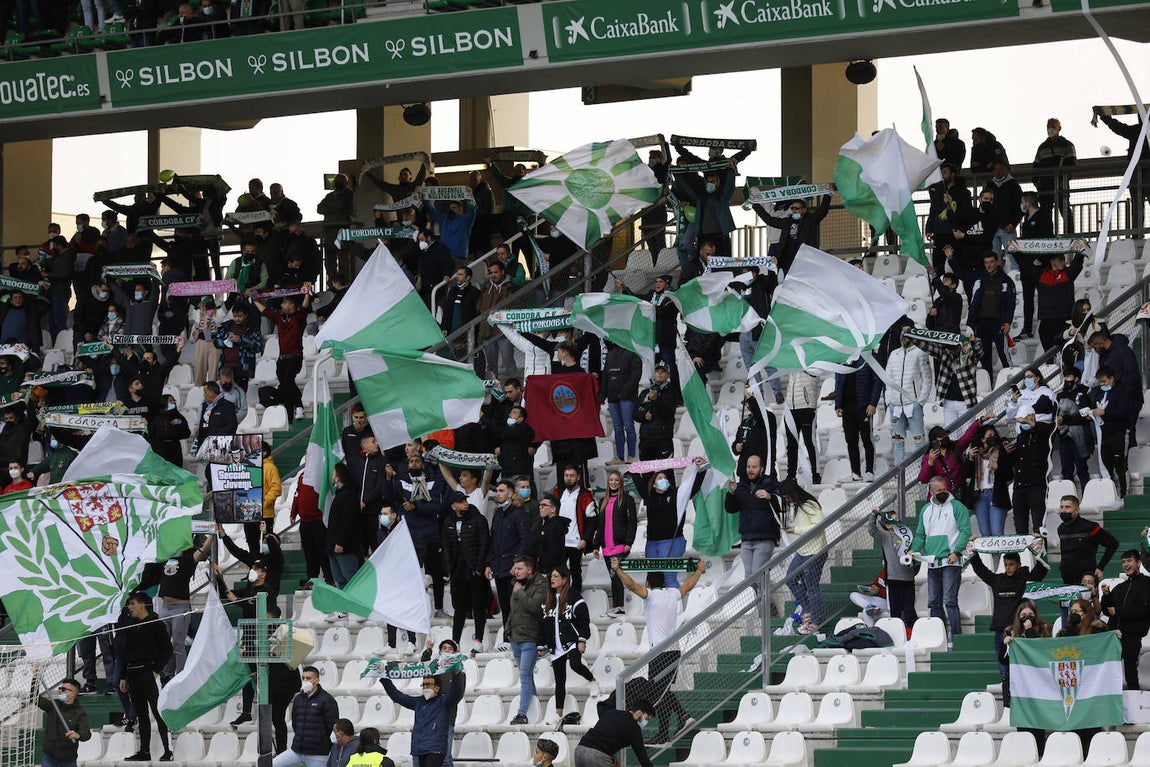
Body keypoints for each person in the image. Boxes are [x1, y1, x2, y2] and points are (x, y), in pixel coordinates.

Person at [611, 557, 705, 742]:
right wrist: (700, 571)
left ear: (648, 583)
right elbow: (688, 585)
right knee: (660, 693)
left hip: (660, 653)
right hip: (673, 651)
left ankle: (683, 716)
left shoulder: (651, 595)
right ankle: (665, 732)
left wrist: (618, 570)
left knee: (657, 692)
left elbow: (631, 586)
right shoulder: (672, 594)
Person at [971, 551, 1048, 683]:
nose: (1007, 567)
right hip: (1001, 633)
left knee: (1024, 670)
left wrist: (1041, 543)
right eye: (1005, 564)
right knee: (1004, 672)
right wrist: (973, 552)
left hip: (1019, 632)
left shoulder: (1026, 580)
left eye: (1011, 564)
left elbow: (1042, 567)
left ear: (1019, 564)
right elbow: (981, 570)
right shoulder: (998, 580)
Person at [910, 476, 972, 643]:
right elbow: (920, 535)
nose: (943, 493)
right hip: (932, 562)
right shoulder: (925, 510)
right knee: (933, 603)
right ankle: (940, 639)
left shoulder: (957, 507)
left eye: (945, 490)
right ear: (931, 491)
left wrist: (957, 552)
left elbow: (966, 531)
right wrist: (913, 551)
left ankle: (957, 639)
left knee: (950, 601)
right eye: (939, 491)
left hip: (951, 561)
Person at [539, 565, 599, 724]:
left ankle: (592, 680)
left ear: (564, 579)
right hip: (555, 645)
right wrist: (541, 644)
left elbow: (584, 621)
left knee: (575, 664)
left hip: (572, 640)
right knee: (560, 680)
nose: (552, 579)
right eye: (551, 576)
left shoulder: (575, 598)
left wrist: (582, 639)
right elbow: (543, 624)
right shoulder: (548, 600)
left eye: (556, 576)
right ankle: (558, 714)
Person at [117, 593, 173, 762]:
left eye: (132, 603)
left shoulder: (157, 624)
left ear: (142, 605)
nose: (130, 607)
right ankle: (144, 751)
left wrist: (156, 670)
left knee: (159, 712)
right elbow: (125, 654)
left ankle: (168, 750)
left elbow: (167, 650)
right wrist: (123, 676)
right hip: (133, 674)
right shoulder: (130, 625)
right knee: (141, 715)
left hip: (148, 672)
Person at [379, 670, 464, 767]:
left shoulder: (444, 702)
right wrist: (385, 679)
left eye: (428, 685)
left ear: (437, 688)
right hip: (419, 750)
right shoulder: (419, 702)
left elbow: (456, 693)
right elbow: (398, 696)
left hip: (435, 749)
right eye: (423, 685)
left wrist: (456, 675)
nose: (425, 687)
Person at [442, 491, 491, 653]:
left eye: (465, 500)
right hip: (458, 570)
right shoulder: (448, 521)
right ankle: (455, 641)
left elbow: (484, 544)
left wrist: (479, 568)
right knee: (459, 608)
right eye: (461, 501)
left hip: (473, 570)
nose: (465, 503)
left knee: (478, 605)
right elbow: (447, 547)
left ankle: (479, 640)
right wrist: (449, 568)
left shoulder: (478, 519)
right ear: (453, 505)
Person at [908, 331, 984, 428]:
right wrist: (911, 335)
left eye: (954, 348)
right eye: (949, 348)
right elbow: (927, 346)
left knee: (968, 435)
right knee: (951, 435)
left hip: (966, 403)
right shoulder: (945, 353)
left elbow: (979, 352)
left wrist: (975, 341)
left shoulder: (969, 355)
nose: (951, 351)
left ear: (960, 346)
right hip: (948, 403)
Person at [779, 479, 827, 631]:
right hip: (803, 551)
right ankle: (808, 610)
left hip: (815, 551)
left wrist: (796, 530)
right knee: (790, 578)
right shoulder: (798, 507)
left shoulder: (809, 505)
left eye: (787, 497)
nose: (788, 500)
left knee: (812, 586)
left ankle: (815, 620)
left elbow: (819, 526)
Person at [724, 455, 781, 581]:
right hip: (746, 538)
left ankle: (764, 600)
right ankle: (767, 600)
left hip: (764, 538)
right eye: (748, 467)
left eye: (754, 467)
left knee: (756, 576)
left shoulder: (770, 483)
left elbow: (782, 505)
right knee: (749, 577)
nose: (750, 470)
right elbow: (730, 509)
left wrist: (770, 497)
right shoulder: (741, 486)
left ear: (761, 469)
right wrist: (731, 494)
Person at [590, 470, 638, 617]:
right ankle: (617, 606)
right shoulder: (602, 501)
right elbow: (600, 525)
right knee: (612, 576)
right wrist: (596, 545)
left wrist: (629, 542)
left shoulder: (627, 499)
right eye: (611, 480)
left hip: (619, 545)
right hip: (606, 547)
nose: (613, 482)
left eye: (616, 480)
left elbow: (632, 522)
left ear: (621, 482)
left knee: (617, 574)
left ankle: (620, 607)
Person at [507, 556, 548, 725]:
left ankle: (522, 713)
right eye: (515, 568)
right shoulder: (518, 585)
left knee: (524, 676)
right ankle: (535, 707)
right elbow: (514, 609)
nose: (516, 571)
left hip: (530, 637)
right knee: (527, 676)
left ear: (529, 570)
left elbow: (534, 606)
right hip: (515, 636)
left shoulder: (540, 584)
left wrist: (519, 591)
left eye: (519, 568)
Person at [1101, 550, 1150, 689]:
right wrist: (1106, 596)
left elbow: (1143, 609)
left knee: (1130, 672)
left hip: (1132, 636)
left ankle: (1135, 702)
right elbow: (1108, 611)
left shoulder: (1147, 583)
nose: (1126, 564)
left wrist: (1119, 611)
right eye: (1123, 561)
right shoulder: (1120, 586)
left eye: (1129, 561)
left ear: (1138, 562)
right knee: (1109, 671)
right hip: (1113, 635)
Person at [273, 666, 340, 767]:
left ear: (317, 680)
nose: (305, 681)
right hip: (297, 751)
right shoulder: (298, 699)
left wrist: (324, 746)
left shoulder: (327, 700)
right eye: (303, 678)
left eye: (308, 678)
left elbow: (333, 726)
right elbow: (295, 723)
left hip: (318, 754)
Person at [884, 328, 934, 463]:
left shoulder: (920, 353)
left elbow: (927, 378)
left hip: (913, 404)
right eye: (902, 334)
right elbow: (887, 379)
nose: (903, 337)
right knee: (898, 441)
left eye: (906, 335)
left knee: (919, 440)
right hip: (896, 405)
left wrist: (920, 402)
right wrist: (889, 400)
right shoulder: (894, 354)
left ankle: (921, 472)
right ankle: (898, 473)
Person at [751, 193, 832, 274]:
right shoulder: (787, 222)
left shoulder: (810, 220)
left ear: (804, 209)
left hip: (804, 258)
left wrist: (828, 194)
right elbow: (769, 220)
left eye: (797, 208)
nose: (794, 211)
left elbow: (823, 210)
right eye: (792, 208)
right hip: (787, 260)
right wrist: (755, 205)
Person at [1088, 329, 1143, 446]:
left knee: (1127, 431)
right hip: (1114, 399)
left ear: (1101, 343)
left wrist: (1124, 397)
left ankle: (1128, 460)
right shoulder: (1105, 356)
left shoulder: (1124, 352)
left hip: (1129, 399)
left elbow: (1132, 376)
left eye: (1095, 348)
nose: (1095, 351)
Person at [1026, 250, 1084, 351]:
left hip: (1065, 321)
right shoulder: (1041, 274)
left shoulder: (1068, 273)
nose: (1064, 262)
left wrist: (1081, 248)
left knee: (1066, 354)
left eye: (1064, 259)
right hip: (1046, 323)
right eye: (1060, 260)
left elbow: (1078, 262)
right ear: (1052, 261)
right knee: (1049, 357)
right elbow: (1025, 264)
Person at [551, 466, 597, 592]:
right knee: (557, 572)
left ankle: (575, 598)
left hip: (576, 542)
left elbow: (593, 520)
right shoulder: (559, 493)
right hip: (560, 541)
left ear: (578, 477)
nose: (569, 478)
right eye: (566, 475)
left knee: (575, 571)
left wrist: (586, 539)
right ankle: (559, 598)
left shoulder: (585, 496)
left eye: (572, 476)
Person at [835, 358, 882, 482]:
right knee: (851, 441)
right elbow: (838, 381)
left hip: (864, 406)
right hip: (847, 407)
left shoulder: (868, 358)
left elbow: (877, 381)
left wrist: (873, 403)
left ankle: (869, 471)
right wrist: (838, 404)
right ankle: (855, 472)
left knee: (867, 439)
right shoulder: (842, 360)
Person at [1091, 364, 1135, 497]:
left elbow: (1123, 413)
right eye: (1100, 382)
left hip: (1118, 433)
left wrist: (1105, 412)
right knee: (1106, 465)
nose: (1102, 384)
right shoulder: (1099, 393)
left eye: (1104, 381)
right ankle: (1110, 494)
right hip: (1104, 434)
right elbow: (1094, 407)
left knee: (1120, 466)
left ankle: (1123, 494)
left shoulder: (1121, 393)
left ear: (1112, 379)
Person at [1056, 495, 1119, 587]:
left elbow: (1113, 544)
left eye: (1067, 507)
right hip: (1067, 579)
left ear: (1077, 510)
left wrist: (1100, 567)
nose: (1064, 510)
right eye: (1062, 507)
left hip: (1086, 579)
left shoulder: (1089, 527)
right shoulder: (1061, 529)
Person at [573, 699, 656, 767]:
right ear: (639, 713)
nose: (645, 722)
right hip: (598, 757)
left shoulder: (611, 712)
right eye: (646, 719)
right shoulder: (633, 727)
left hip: (580, 751)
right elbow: (642, 755)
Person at [870, 513, 918, 628]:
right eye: (894, 519)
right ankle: (897, 636)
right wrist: (873, 516)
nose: (898, 521)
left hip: (908, 580)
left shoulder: (907, 536)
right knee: (895, 613)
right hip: (893, 581)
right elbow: (872, 530)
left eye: (898, 518)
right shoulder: (885, 536)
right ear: (887, 525)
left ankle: (913, 635)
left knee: (910, 612)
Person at [963, 424, 1012, 537]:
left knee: (997, 532)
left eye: (994, 435)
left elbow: (1009, 475)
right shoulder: (975, 453)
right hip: (979, 496)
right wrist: (970, 458)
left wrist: (998, 468)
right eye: (989, 435)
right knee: (985, 533)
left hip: (996, 494)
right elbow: (966, 474)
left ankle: (1001, 555)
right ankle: (991, 555)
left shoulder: (1001, 452)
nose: (992, 437)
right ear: (982, 438)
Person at [642, 471, 687, 588]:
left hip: (672, 540)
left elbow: (693, 486)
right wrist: (633, 470)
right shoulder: (649, 497)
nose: (664, 480)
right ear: (653, 484)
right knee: (652, 578)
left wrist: (701, 470)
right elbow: (638, 482)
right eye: (660, 478)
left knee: (668, 577)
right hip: (652, 543)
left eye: (665, 478)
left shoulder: (676, 495)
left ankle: (674, 605)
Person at [1033, 117, 1077, 229]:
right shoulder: (1042, 147)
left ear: (1059, 128)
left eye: (1052, 126)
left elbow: (1072, 166)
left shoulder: (1067, 145)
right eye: (1048, 126)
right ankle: (1048, 235)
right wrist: (1036, 181)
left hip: (1061, 184)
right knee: (1045, 212)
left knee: (1065, 209)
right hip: (1045, 185)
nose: (1050, 129)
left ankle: (1070, 235)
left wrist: (1064, 180)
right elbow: (1036, 166)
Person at [38, 677, 91, 767]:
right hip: (49, 756)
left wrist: (77, 735)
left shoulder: (79, 712)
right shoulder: (53, 705)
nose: (60, 691)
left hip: (68, 758)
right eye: (60, 689)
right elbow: (34, 698)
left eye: (63, 689)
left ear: (73, 693)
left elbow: (86, 734)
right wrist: (35, 678)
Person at [602, 342, 641, 464]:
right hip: (613, 396)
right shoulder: (610, 355)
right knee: (617, 427)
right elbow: (605, 376)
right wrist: (602, 395)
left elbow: (636, 376)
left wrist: (624, 393)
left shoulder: (633, 353)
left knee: (628, 425)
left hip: (627, 396)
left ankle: (631, 455)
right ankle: (619, 456)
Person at [1057, 367, 1094, 490]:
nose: (1066, 379)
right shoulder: (1060, 395)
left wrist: (1065, 420)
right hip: (1064, 437)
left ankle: (1087, 497)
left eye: (1068, 376)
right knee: (1066, 471)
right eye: (1065, 376)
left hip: (1080, 436)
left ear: (1076, 378)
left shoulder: (1083, 393)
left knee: (1082, 468)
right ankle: (1069, 499)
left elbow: (1085, 415)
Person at [327, 462, 363, 589]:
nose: (331, 476)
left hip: (345, 548)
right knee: (339, 581)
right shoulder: (340, 495)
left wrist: (341, 542)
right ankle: (344, 608)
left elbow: (349, 521)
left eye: (333, 473)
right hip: (334, 546)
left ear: (338, 477)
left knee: (351, 580)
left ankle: (356, 607)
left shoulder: (349, 495)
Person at [634, 362, 679, 463]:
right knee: (646, 474)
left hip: (663, 439)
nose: (659, 373)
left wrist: (656, 400)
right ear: (654, 374)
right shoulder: (645, 392)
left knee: (666, 472)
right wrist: (644, 416)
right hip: (645, 439)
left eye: (663, 371)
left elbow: (667, 412)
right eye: (657, 371)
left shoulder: (672, 392)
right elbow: (634, 413)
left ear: (668, 375)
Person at [783, 370, 821, 484]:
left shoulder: (811, 362)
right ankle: (791, 475)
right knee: (791, 445)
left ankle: (815, 473)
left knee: (810, 442)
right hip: (790, 408)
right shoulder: (792, 362)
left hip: (806, 407)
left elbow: (816, 373)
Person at [536, 497, 569, 576]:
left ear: (553, 509)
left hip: (552, 571)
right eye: (540, 505)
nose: (540, 507)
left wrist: (546, 571)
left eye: (543, 505)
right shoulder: (548, 524)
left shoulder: (554, 526)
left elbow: (553, 551)